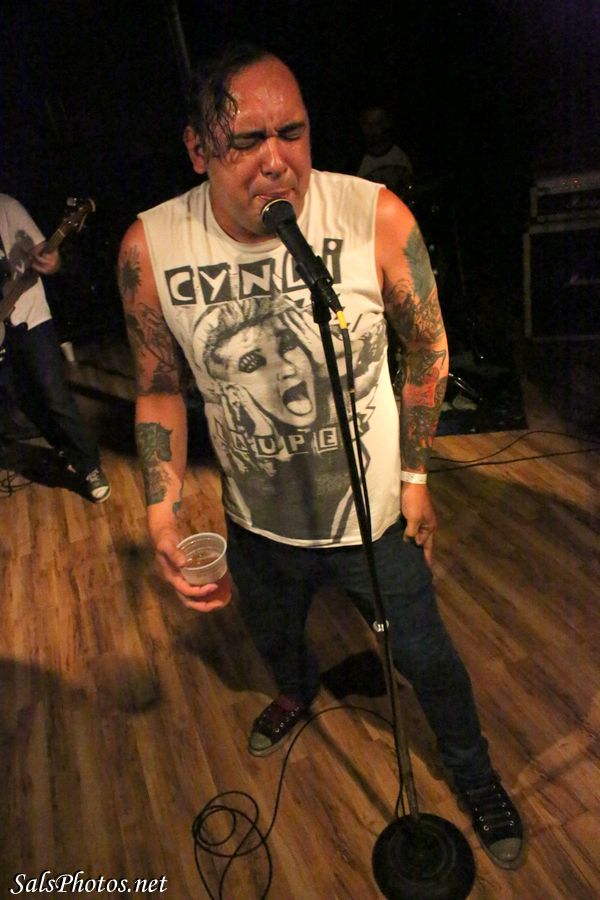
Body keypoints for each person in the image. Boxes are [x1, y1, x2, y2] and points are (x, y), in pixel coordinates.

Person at [118, 44, 523, 869]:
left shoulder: (374, 216)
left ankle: (472, 770)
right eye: (247, 141)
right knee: (274, 634)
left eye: (293, 133)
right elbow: (158, 386)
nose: (277, 160)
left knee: (427, 657)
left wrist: (415, 476)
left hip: (373, 519)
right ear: (198, 149)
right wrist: (160, 513)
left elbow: (428, 346)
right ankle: (297, 693)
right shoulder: (150, 250)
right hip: (256, 521)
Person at [0, 193, 110, 502]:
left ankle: (89, 466)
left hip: (31, 317)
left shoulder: (6, 207)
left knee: (55, 395)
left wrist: (53, 261)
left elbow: (44, 252)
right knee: (23, 400)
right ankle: (63, 446)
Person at [357, 106, 413, 199]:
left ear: (387, 124)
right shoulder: (354, 161)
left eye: (378, 124)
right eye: (368, 124)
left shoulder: (402, 155)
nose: (373, 130)